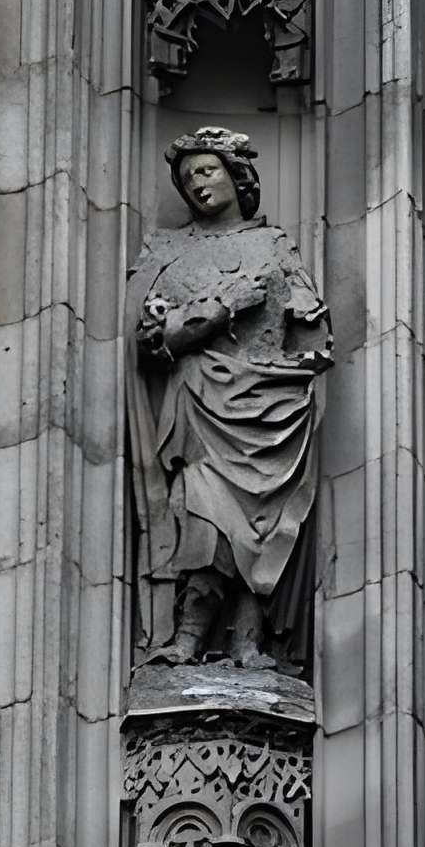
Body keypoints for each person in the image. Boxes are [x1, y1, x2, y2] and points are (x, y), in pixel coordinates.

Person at [128, 128, 332, 669]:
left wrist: (309, 337)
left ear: (236, 175)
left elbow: (308, 327)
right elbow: (152, 342)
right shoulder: (168, 253)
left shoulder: (274, 245)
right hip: (201, 397)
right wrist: (221, 308)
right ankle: (189, 638)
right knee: (200, 516)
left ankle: (249, 642)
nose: (198, 184)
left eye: (207, 170)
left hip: (272, 407)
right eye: (188, 176)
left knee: (264, 523)